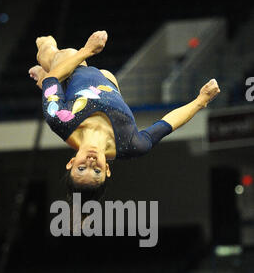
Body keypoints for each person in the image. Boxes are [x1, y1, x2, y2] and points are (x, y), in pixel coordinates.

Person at [29, 31, 220, 203]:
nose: (90, 163)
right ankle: (43, 78)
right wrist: (200, 101)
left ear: (71, 163)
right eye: (96, 171)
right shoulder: (131, 144)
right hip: (108, 81)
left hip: (74, 74)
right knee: (57, 78)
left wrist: (87, 50)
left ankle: (43, 46)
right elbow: (168, 124)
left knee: (57, 57)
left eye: (81, 169)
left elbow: (53, 79)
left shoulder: (61, 120)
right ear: (107, 171)